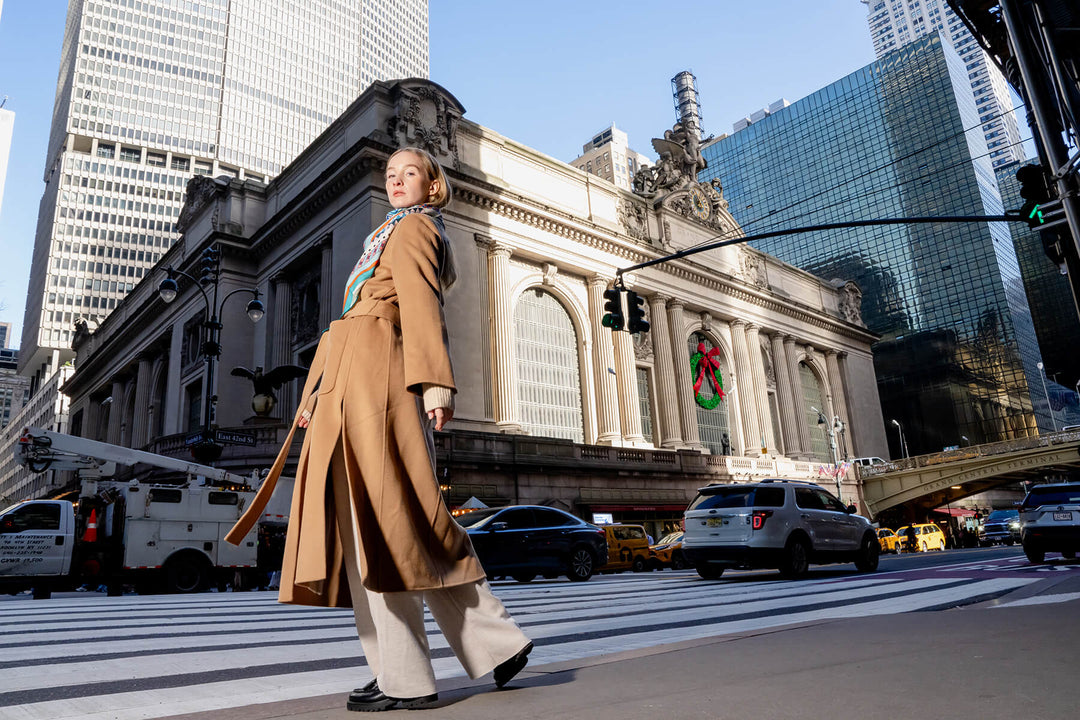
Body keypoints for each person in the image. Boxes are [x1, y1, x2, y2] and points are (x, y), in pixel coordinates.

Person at [226, 146, 532, 712]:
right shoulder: (386, 234)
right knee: (373, 527)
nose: (396, 181)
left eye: (409, 173)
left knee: (385, 525)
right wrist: (315, 395)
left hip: (378, 381)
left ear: (432, 185)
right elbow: (352, 324)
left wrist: (436, 383)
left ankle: (410, 676)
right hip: (348, 382)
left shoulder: (415, 228)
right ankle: (466, 651)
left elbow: (419, 304)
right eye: (390, 174)